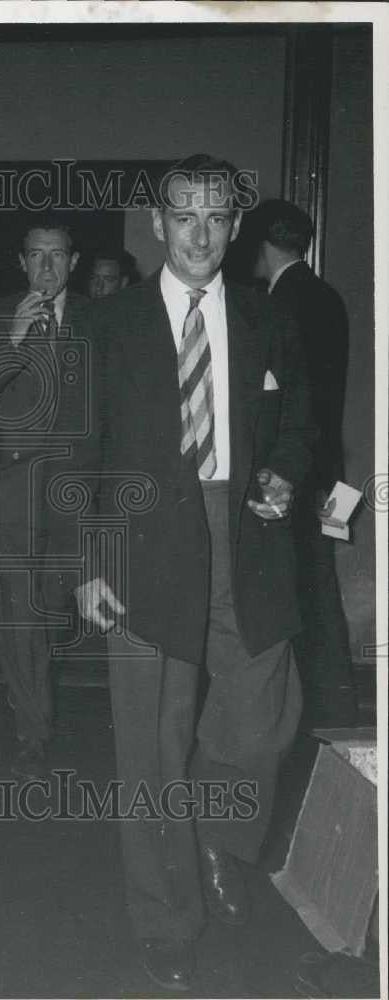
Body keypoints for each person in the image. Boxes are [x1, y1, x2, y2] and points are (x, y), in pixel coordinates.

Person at [76, 155, 315, 991]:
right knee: (149, 746)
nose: (202, 233)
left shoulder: (267, 319)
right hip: (140, 547)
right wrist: (91, 560)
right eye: (185, 216)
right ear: (157, 223)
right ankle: (166, 916)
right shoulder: (107, 325)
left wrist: (284, 470)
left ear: (236, 226)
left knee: (265, 718)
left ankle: (218, 836)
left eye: (217, 217)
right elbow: (82, 454)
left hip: (244, 537)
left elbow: (300, 425)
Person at [0, 219, 93, 779]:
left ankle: (43, 700)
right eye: (36, 256)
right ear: (21, 262)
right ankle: (32, 730)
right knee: (18, 613)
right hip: (14, 486)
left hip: (77, 487)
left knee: (53, 606)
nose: (47, 267)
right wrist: (12, 341)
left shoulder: (102, 319)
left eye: (57, 256)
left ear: (74, 261)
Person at [253, 198, 357, 726]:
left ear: (261, 244)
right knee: (320, 583)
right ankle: (335, 703)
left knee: (298, 587)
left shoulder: (281, 302)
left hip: (299, 472)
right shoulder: (327, 296)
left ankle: (310, 711)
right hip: (332, 471)